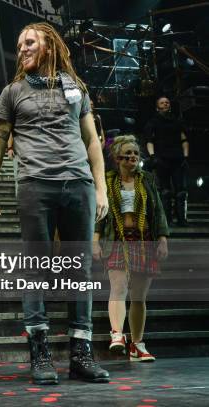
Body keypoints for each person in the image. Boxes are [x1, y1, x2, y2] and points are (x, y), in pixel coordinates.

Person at [0, 22, 110, 384]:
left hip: (79, 185)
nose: (22, 48)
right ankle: (40, 355)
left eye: (29, 42)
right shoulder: (12, 92)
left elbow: (92, 141)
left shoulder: (76, 88)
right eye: (19, 43)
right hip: (36, 186)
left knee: (80, 272)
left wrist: (100, 188)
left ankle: (80, 355)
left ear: (49, 46)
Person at [93, 135, 168, 363]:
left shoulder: (146, 180)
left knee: (139, 297)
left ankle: (137, 344)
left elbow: (158, 211)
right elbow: (101, 213)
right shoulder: (107, 180)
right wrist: (95, 239)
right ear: (117, 157)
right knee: (118, 287)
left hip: (144, 241)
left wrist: (163, 238)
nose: (133, 157)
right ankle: (117, 334)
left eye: (136, 154)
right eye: (128, 153)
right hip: (117, 240)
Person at [145, 96, 190, 226]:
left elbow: (184, 139)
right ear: (157, 106)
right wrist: (153, 157)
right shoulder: (153, 122)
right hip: (162, 159)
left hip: (177, 159)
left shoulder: (177, 121)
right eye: (162, 102)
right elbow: (150, 140)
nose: (165, 104)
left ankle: (182, 219)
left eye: (167, 102)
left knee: (180, 191)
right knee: (165, 191)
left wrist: (185, 157)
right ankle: (167, 220)